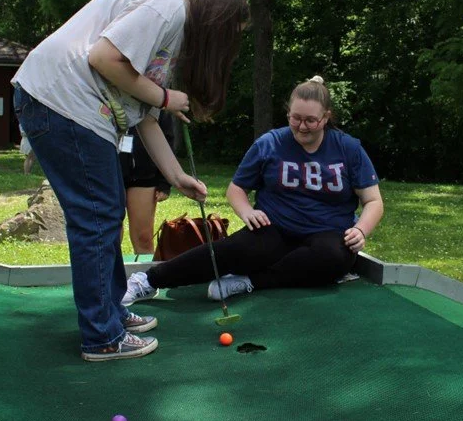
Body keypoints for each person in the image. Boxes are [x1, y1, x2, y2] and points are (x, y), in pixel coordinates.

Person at [11, 0, 249, 362]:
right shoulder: (167, 7)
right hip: (62, 101)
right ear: (218, 25)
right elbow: (103, 58)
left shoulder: (173, 39)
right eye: (232, 35)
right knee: (96, 217)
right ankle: (102, 337)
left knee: (105, 215)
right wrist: (166, 97)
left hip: (71, 106)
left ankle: (112, 314)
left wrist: (176, 176)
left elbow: (145, 118)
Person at [124, 77, 384, 307]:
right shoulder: (270, 143)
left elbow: (373, 201)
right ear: (288, 113)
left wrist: (360, 230)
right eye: (295, 118)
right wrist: (247, 211)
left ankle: (250, 281)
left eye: (311, 120)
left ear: (326, 118)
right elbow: (236, 189)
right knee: (231, 250)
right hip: (276, 228)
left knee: (335, 259)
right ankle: (148, 280)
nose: (302, 126)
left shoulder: (348, 148)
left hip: (327, 233)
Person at [120, 112, 179, 256]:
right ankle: (109, 270)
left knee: (144, 238)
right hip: (109, 172)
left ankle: (146, 269)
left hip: (145, 175)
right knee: (110, 235)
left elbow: (167, 141)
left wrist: (164, 182)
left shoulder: (157, 103)